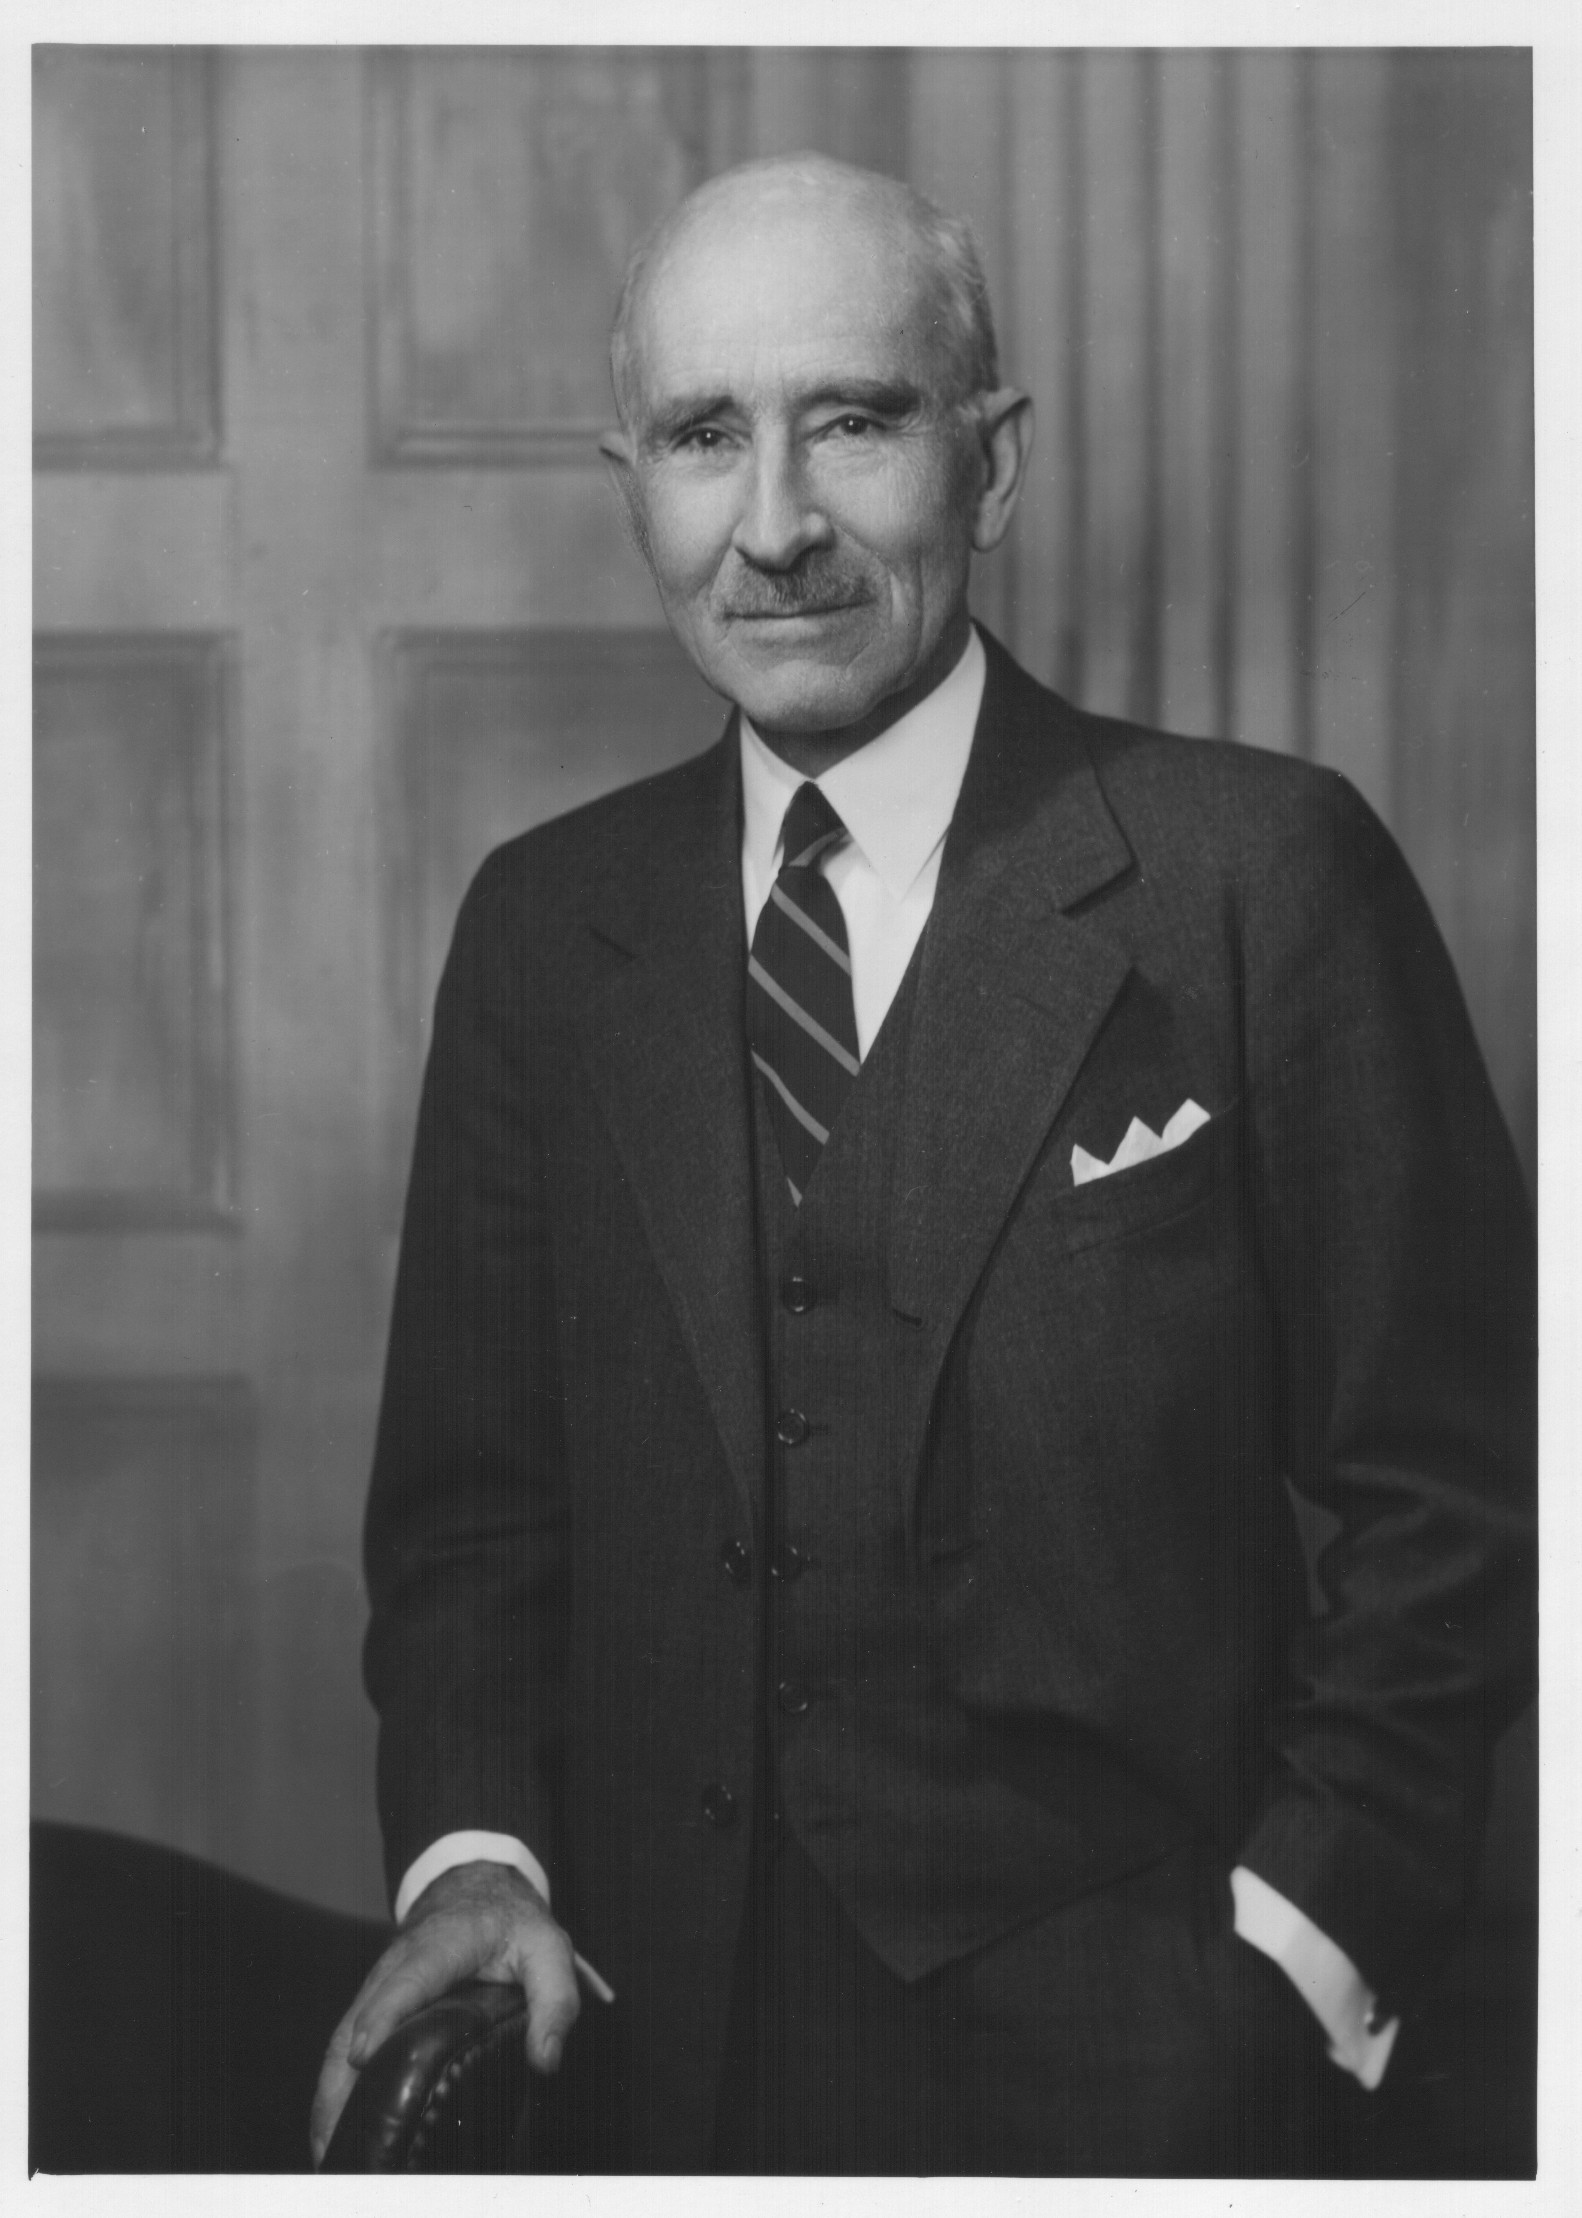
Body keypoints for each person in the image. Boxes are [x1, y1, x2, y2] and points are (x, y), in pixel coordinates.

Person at [311, 154, 1534, 2175]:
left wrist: (1287, 1957)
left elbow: (1456, 1490)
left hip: (1143, 2078)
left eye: (853, 420)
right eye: (706, 436)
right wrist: (471, 1850)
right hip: (640, 2068)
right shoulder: (543, 931)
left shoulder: (1256, 876)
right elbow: (466, 1523)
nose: (774, 526)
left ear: (993, 458)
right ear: (632, 474)